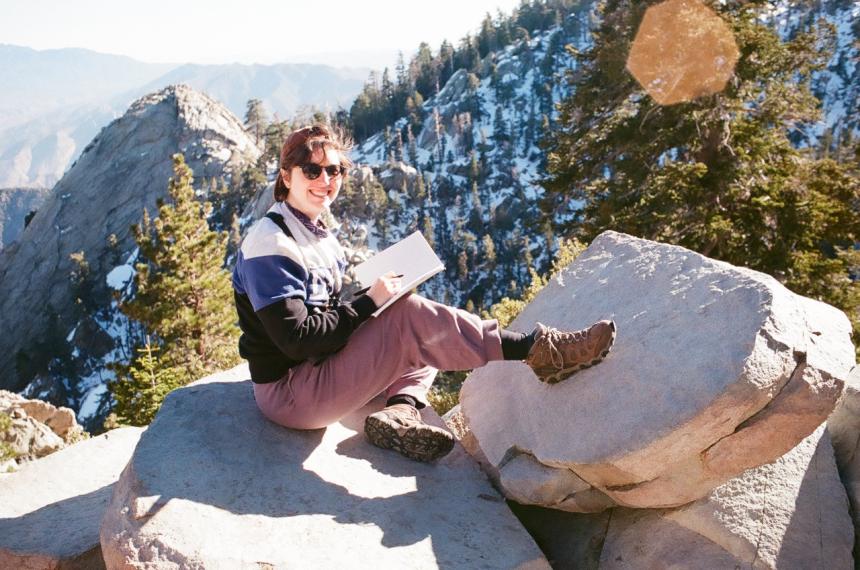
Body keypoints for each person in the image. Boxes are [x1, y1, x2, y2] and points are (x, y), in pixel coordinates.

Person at [232, 124, 616, 463]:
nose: (325, 179)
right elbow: (297, 341)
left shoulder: (314, 232)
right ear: (286, 176)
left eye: (335, 170)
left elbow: (321, 315)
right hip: (290, 394)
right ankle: (537, 350)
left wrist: (373, 302)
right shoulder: (271, 244)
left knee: (423, 330)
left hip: (316, 371)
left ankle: (399, 411)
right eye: (312, 170)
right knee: (410, 319)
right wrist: (369, 303)